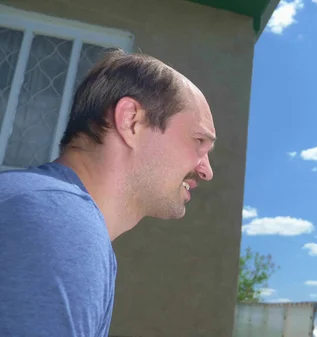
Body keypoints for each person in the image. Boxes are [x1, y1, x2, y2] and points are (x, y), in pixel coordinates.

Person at [0, 49, 216, 336]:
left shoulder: (45, 210)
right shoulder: (57, 223)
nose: (206, 171)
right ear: (131, 122)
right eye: (198, 140)